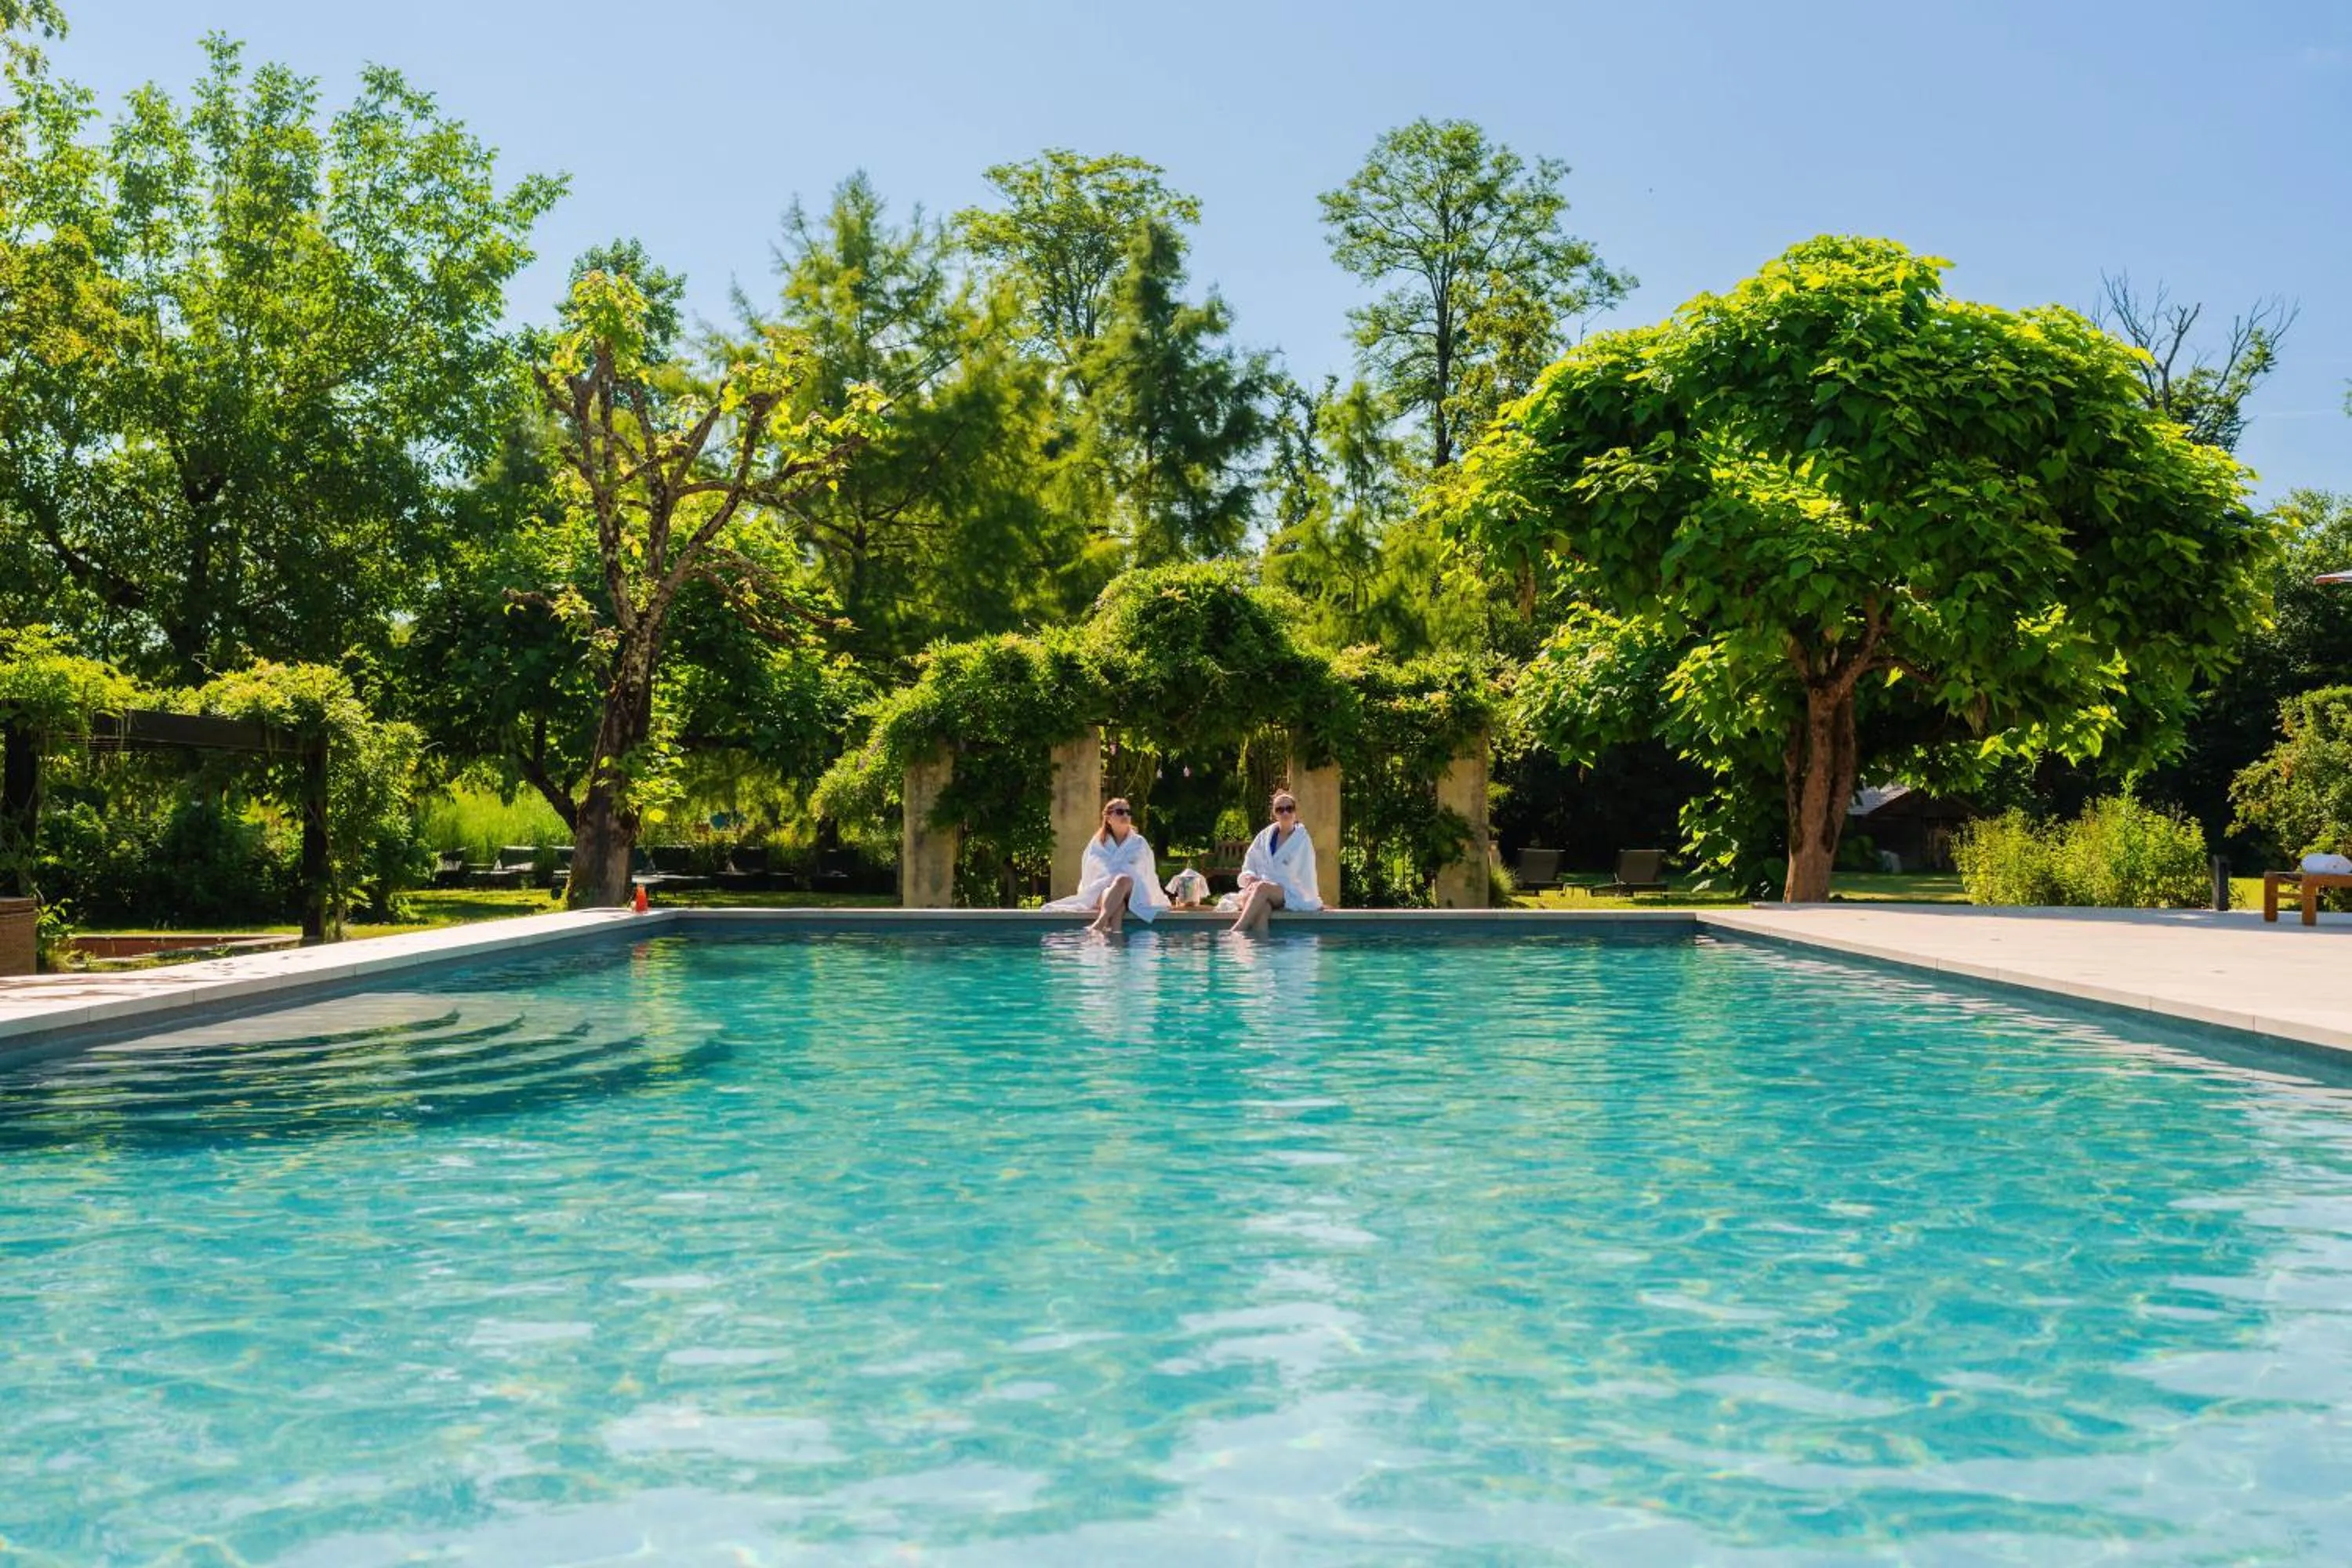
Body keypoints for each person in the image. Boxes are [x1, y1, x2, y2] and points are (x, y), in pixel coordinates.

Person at [1043, 797, 1171, 935]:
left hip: (1133, 892)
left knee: (1123, 879)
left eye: (1128, 812)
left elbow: (1148, 873)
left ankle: (1100, 923)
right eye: (1120, 812)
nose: (1126, 815)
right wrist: (1108, 882)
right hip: (1104, 891)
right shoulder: (1098, 843)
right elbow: (1090, 871)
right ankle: (1115, 943)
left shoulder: (1139, 843)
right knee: (1118, 904)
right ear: (1109, 818)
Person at [1229, 789, 1322, 935]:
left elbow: (1307, 872)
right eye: (1280, 809)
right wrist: (1250, 876)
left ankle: (1237, 930)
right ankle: (1263, 950)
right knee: (1263, 908)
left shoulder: (1302, 840)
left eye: (1289, 809)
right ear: (1275, 813)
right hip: (1262, 891)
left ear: (1295, 812)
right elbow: (1250, 862)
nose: (1285, 813)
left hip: (1288, 892)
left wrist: (1310, 898)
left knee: (1262, 888)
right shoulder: (1265, 836)